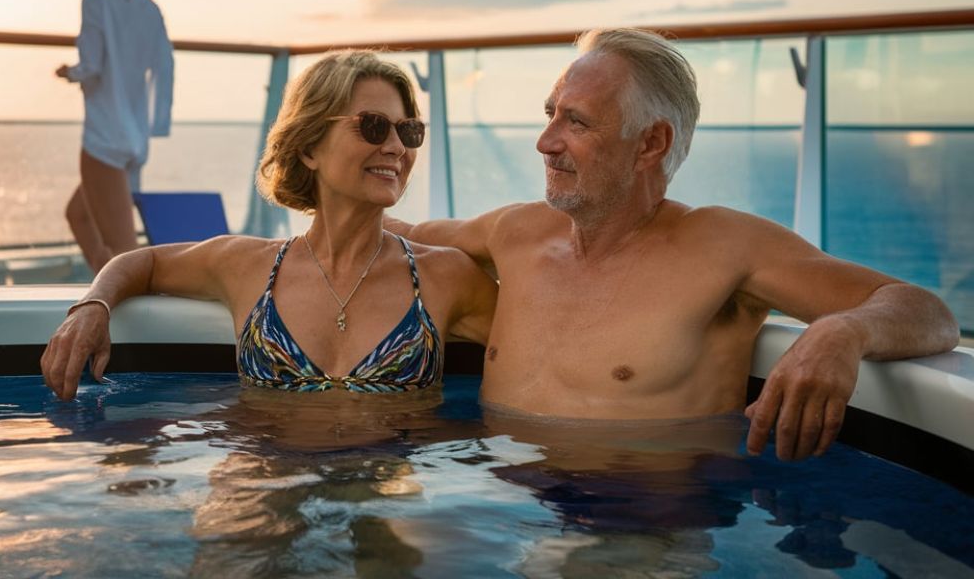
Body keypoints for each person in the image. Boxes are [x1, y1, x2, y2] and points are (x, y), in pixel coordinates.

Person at [390, 27, 959, 461]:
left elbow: (926, 311)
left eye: (577, 124)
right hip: (498, 506)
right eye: (550, 115)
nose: (545, 142)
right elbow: (402, 233)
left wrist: (843, 331)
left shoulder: (723, 247)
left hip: (640, 527)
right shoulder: (516, 232)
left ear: (650, 144)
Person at [41, 50, 497, 400]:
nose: (397, 146)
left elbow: (547, 343)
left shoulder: (445, 277)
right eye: (374, 127)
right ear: (309, 148)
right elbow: (144, 262)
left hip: (389, 504)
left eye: (409, 130)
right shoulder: (249, 267)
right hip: (267, 485)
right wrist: (92, 307)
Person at [56, 0, 174, 274]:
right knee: (78, 215)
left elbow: (91, 65)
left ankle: (131, 313)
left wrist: (69, 72)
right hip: (134, 136)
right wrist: (157, 123)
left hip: (104, 137)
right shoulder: (148, 7)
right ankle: (103, 293)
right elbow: (165, 66)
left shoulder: (96, 1)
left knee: (124, 251)